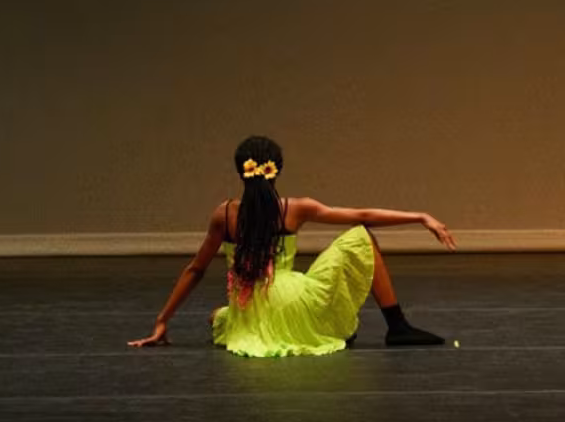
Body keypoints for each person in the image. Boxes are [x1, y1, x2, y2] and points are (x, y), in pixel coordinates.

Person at [129, 135, 456, 356]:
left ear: (241, 172)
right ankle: (397, 326)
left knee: (220, 316)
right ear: (277, 170)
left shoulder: (224, 214)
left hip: (252, 303)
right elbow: (363, 214)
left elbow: (196, 269)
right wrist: (419, 216)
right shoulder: (294, 209)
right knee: (362, 236)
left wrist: (162, 320)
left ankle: (291, 325)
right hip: (291, 296)